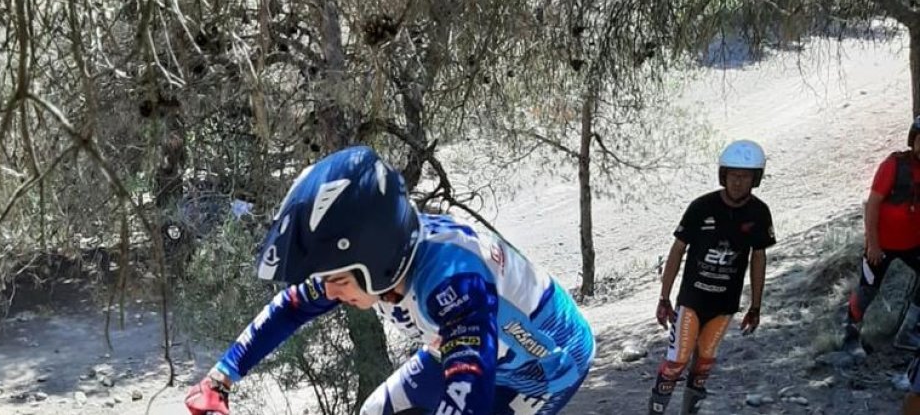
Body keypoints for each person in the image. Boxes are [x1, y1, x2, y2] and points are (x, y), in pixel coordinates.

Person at [184, 145, 595, 415]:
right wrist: (220, 379)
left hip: (545, 365)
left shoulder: (455, 284)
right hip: (460, 345)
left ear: (373, 260)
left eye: (335, 280)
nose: (327, 291)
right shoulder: (381, 264)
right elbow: (291, 308)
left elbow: (468, 398)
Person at [646, 140, 776, 415]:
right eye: (733, 175)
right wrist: (664, 297)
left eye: (745, 177)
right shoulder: (701, 207)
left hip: (725, 304)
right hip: (692, 299)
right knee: (677, 360)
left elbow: (758, 258)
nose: (739, 183)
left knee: (704, 361)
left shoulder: (760, 213)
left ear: (756, 179)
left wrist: (756, 305)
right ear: (723, 175)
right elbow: (677, 250)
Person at [842, 115, 920, 353]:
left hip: (914, 244)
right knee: (867, 290)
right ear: (913, 141)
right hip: (882, 245)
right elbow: (873, 204)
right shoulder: (894, 165)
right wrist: (873, 244)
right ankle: (851, 336)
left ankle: (908, 332)